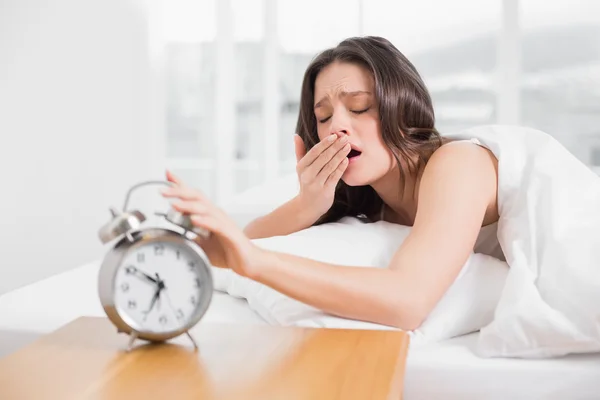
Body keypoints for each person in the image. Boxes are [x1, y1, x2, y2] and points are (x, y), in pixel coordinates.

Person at [160, 36, 500, 331]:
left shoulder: (458, 163)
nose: (336, 125)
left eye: (359, 106)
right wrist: (307, 204)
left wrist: (258, 262)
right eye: (323, 116)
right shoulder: (373, 203)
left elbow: (408, 302)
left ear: (404, 108)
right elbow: (243, 244)